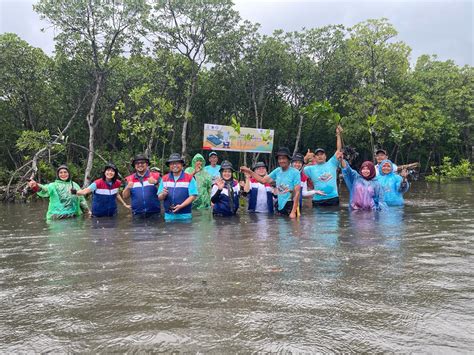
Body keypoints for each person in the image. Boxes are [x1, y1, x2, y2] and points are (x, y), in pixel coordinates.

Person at [241, 147, 301, 218]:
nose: (281, 161)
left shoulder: (295, 172)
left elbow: (297, 193)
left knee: (293, 227)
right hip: (280, 205)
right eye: (279, 159)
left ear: (288, 159)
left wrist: (293, 212)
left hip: (291, 205)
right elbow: (263, 180)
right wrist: (249, 172)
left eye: (283, 158)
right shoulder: (277, 171)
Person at [303, 125, 343, 207]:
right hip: (317, 200)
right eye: (317, 155)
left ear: (325, 156)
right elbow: (297, 171)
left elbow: (338, 149)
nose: (320, 156)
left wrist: (338, 135)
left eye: (322, 154)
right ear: (315, 157)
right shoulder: (310, 168)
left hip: (333, 198)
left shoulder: (332, 163)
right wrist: (305, 159)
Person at [158, 153, 198, 221]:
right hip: (168, 216)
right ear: (169, 166)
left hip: (185, 216)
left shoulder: (189, 178)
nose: (174, 165)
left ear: (182, 165)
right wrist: (163, 194)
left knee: (185, 231)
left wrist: (181, 206)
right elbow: (159, 197)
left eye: (177, 163)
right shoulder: (164, 178)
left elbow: (193, 196)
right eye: (172, 163)